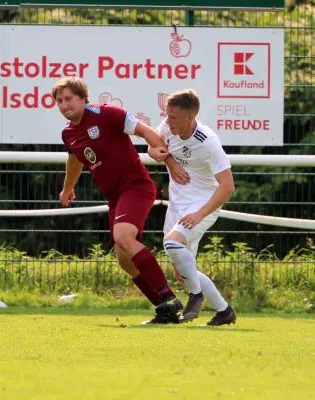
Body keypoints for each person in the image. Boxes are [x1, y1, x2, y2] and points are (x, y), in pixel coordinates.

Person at [52, 76, 184, 324]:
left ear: (82, 98)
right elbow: (74, 161)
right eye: (59, 101)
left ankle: (167, 294)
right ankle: (165, 310)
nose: (64, 104)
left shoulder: (106, 114)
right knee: (124, 260)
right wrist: (67, 189)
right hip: (116, 197)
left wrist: (169, 161)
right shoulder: (68, 133)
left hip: (136, 187)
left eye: (69, 99)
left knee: (123, 237)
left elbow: (146, 132)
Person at [148, 88, 237, 326]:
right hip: (177, 204)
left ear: (190, 118)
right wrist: (169, 160)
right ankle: (224, 310)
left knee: (172, 243)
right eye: (167, 115)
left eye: (173, 117)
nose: (167, 121)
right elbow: (152, 145)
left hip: (202, 206)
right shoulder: (169, 126)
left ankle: (195, 296)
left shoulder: (208, 142)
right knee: (182, 273)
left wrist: (199, 214)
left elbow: (227, 186)